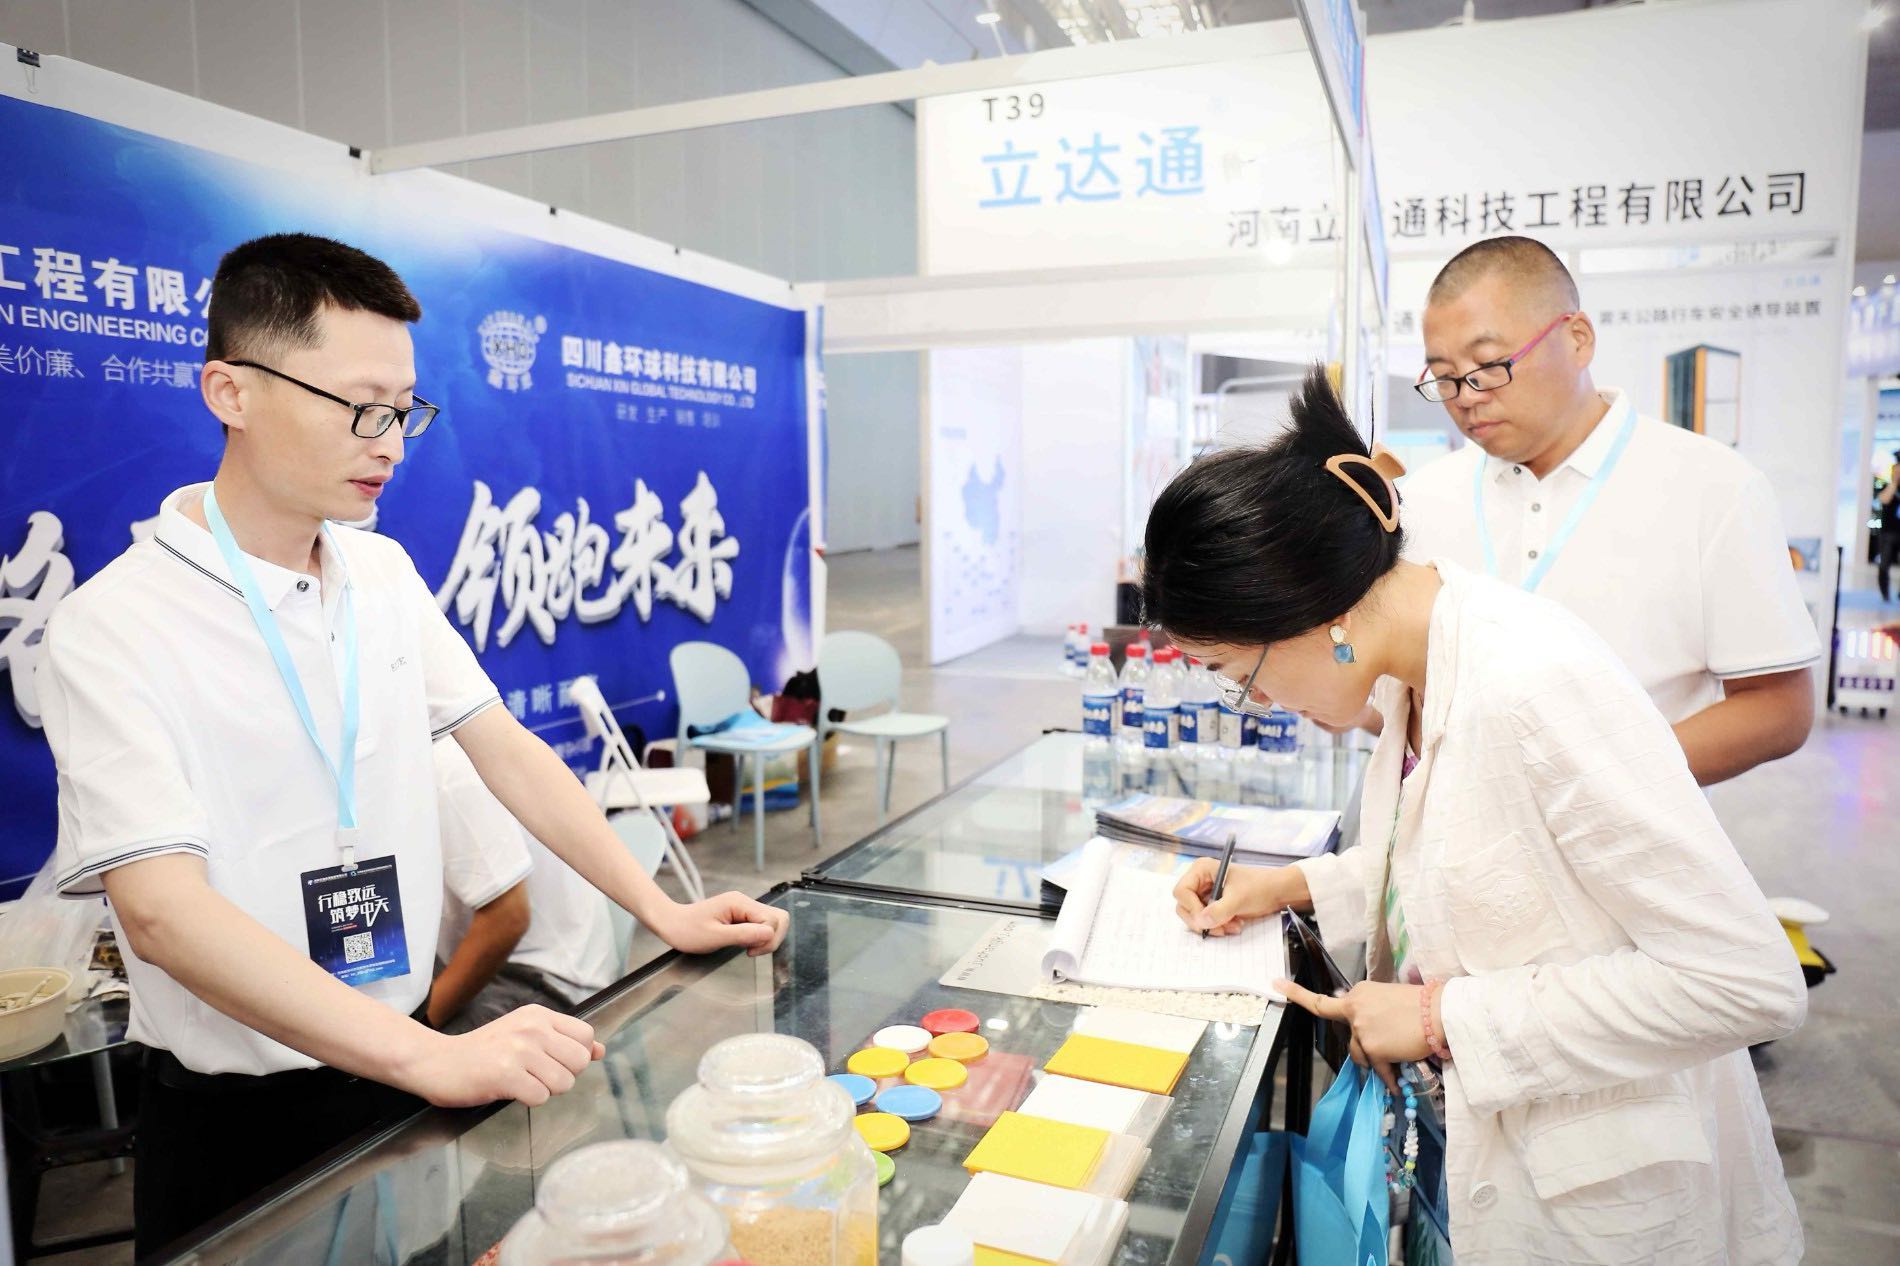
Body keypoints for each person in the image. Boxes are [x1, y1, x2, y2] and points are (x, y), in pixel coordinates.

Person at [39, 233, 790, 1256]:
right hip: (241, 1118)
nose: (390, 442)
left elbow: (504, 746)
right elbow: (163, 914)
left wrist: (662, 910)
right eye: (360, 407)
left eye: (403, 409)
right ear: (231, 391)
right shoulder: (114, 624)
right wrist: (429, 1057)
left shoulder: (382, 573)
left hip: (406, 1076)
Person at [1151, 368, 1805, 1263]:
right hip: (1487, 1147)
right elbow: (1472, 863)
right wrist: (1287, 886)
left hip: (1607, 1195)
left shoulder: (1533, 683)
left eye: (1241, 675)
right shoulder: (1417, 664)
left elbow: (1743, 980)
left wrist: (1440, 1021)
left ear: (1310, 612)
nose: (1259, 702)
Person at [1398, 236, 1819, 786]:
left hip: (1634, 834)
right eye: (1444, 376)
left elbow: (1779, 708)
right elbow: (1393, 697)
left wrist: (1604, 779)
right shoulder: (1422, 500)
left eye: (1489, 365)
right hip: (1455, 833)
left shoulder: (1713, 488)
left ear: (1578, 338)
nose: (1466, 395)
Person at [432, 737, 622, 1031]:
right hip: (499, 957)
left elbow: (508, 917)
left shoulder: (447, 770)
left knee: (399, 1051)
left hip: (551, 978)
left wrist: (421, 1027)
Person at [1877, 451, 1898, 603]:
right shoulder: (1887, 486)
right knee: (1884, 565)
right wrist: (1894, 481)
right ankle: (1885, 594)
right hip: (1888, 533)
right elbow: (1884, 499)